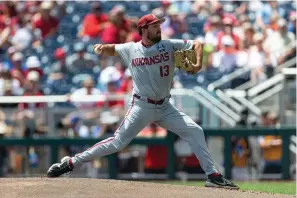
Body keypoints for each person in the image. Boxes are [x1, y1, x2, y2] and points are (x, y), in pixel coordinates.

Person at [47, 14, 239, 190]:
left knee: (195, 130)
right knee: (118, 143)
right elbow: (113, 48)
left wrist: (197, 64)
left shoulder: (168, 45)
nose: (159, 28)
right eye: (155, 25)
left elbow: (196, 44)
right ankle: (71, 162)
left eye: (159, 25)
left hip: (165, 106)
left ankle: (212, 175)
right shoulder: (131, 48)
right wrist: (102, 47)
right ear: (144, 30)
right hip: (142, 106)